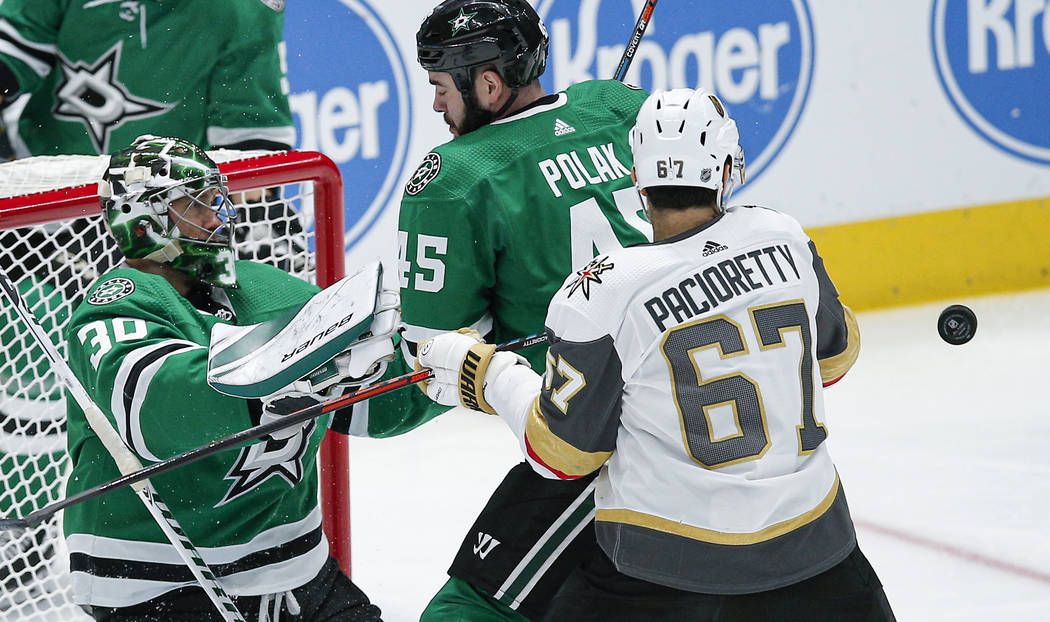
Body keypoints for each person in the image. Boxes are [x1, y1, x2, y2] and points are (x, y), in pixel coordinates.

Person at [418, 87, 897, 621]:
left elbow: (564, 456)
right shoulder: (783, 236)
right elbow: (835, 357)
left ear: (636, 179)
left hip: (661, 572)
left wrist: (487, 375)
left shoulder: (602, 290)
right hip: (815, 550)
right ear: (727, 169)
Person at [350, 1, 651, 619]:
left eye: (439, 87)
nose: (436, 106)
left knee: (469, 608)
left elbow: (434, 355)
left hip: (600, 433)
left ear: (487, 84)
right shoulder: (619, 109)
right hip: (702, 380)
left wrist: (345, 408)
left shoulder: (455, 179)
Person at [61, 135, 388, 621]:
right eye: (196, 205)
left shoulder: (264, 289)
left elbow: (374, 406)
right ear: (143, 220)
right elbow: (161, 408)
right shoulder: (116, 301)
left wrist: (430, 358)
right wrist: (294, 373)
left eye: (217, 200)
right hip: (159, 583)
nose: (218, 218)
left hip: (299, 575)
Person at [0, 0, 294, 156]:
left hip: (167, 202)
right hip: (40, 175)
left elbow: (251, 131)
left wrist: (255, 203)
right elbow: (14, 51)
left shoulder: (246, 8)